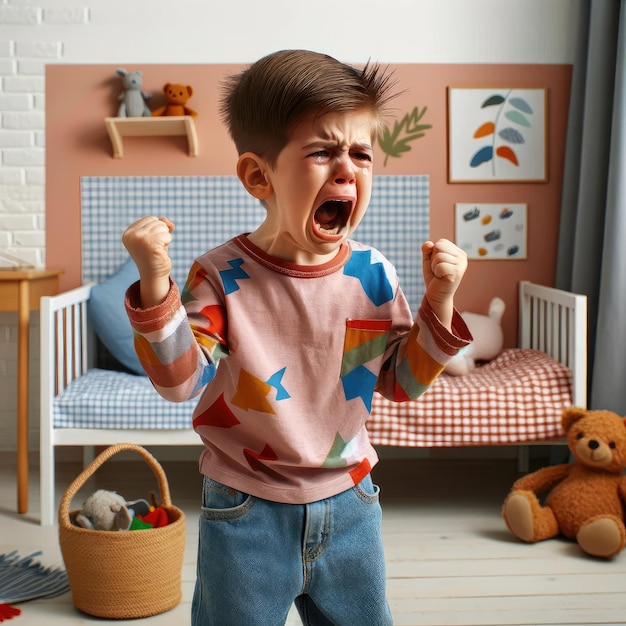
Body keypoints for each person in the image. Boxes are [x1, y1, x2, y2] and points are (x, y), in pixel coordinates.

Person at [122, 49, 471, 626]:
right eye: (323, 151)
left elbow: (402, 385)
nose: (347, 169)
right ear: (260, 176)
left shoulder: (373, 274)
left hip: (351, 504)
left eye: (361, 153)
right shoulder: (219, 276)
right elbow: (180, 382)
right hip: (245, 508)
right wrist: (154, 281)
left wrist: (440, 301)